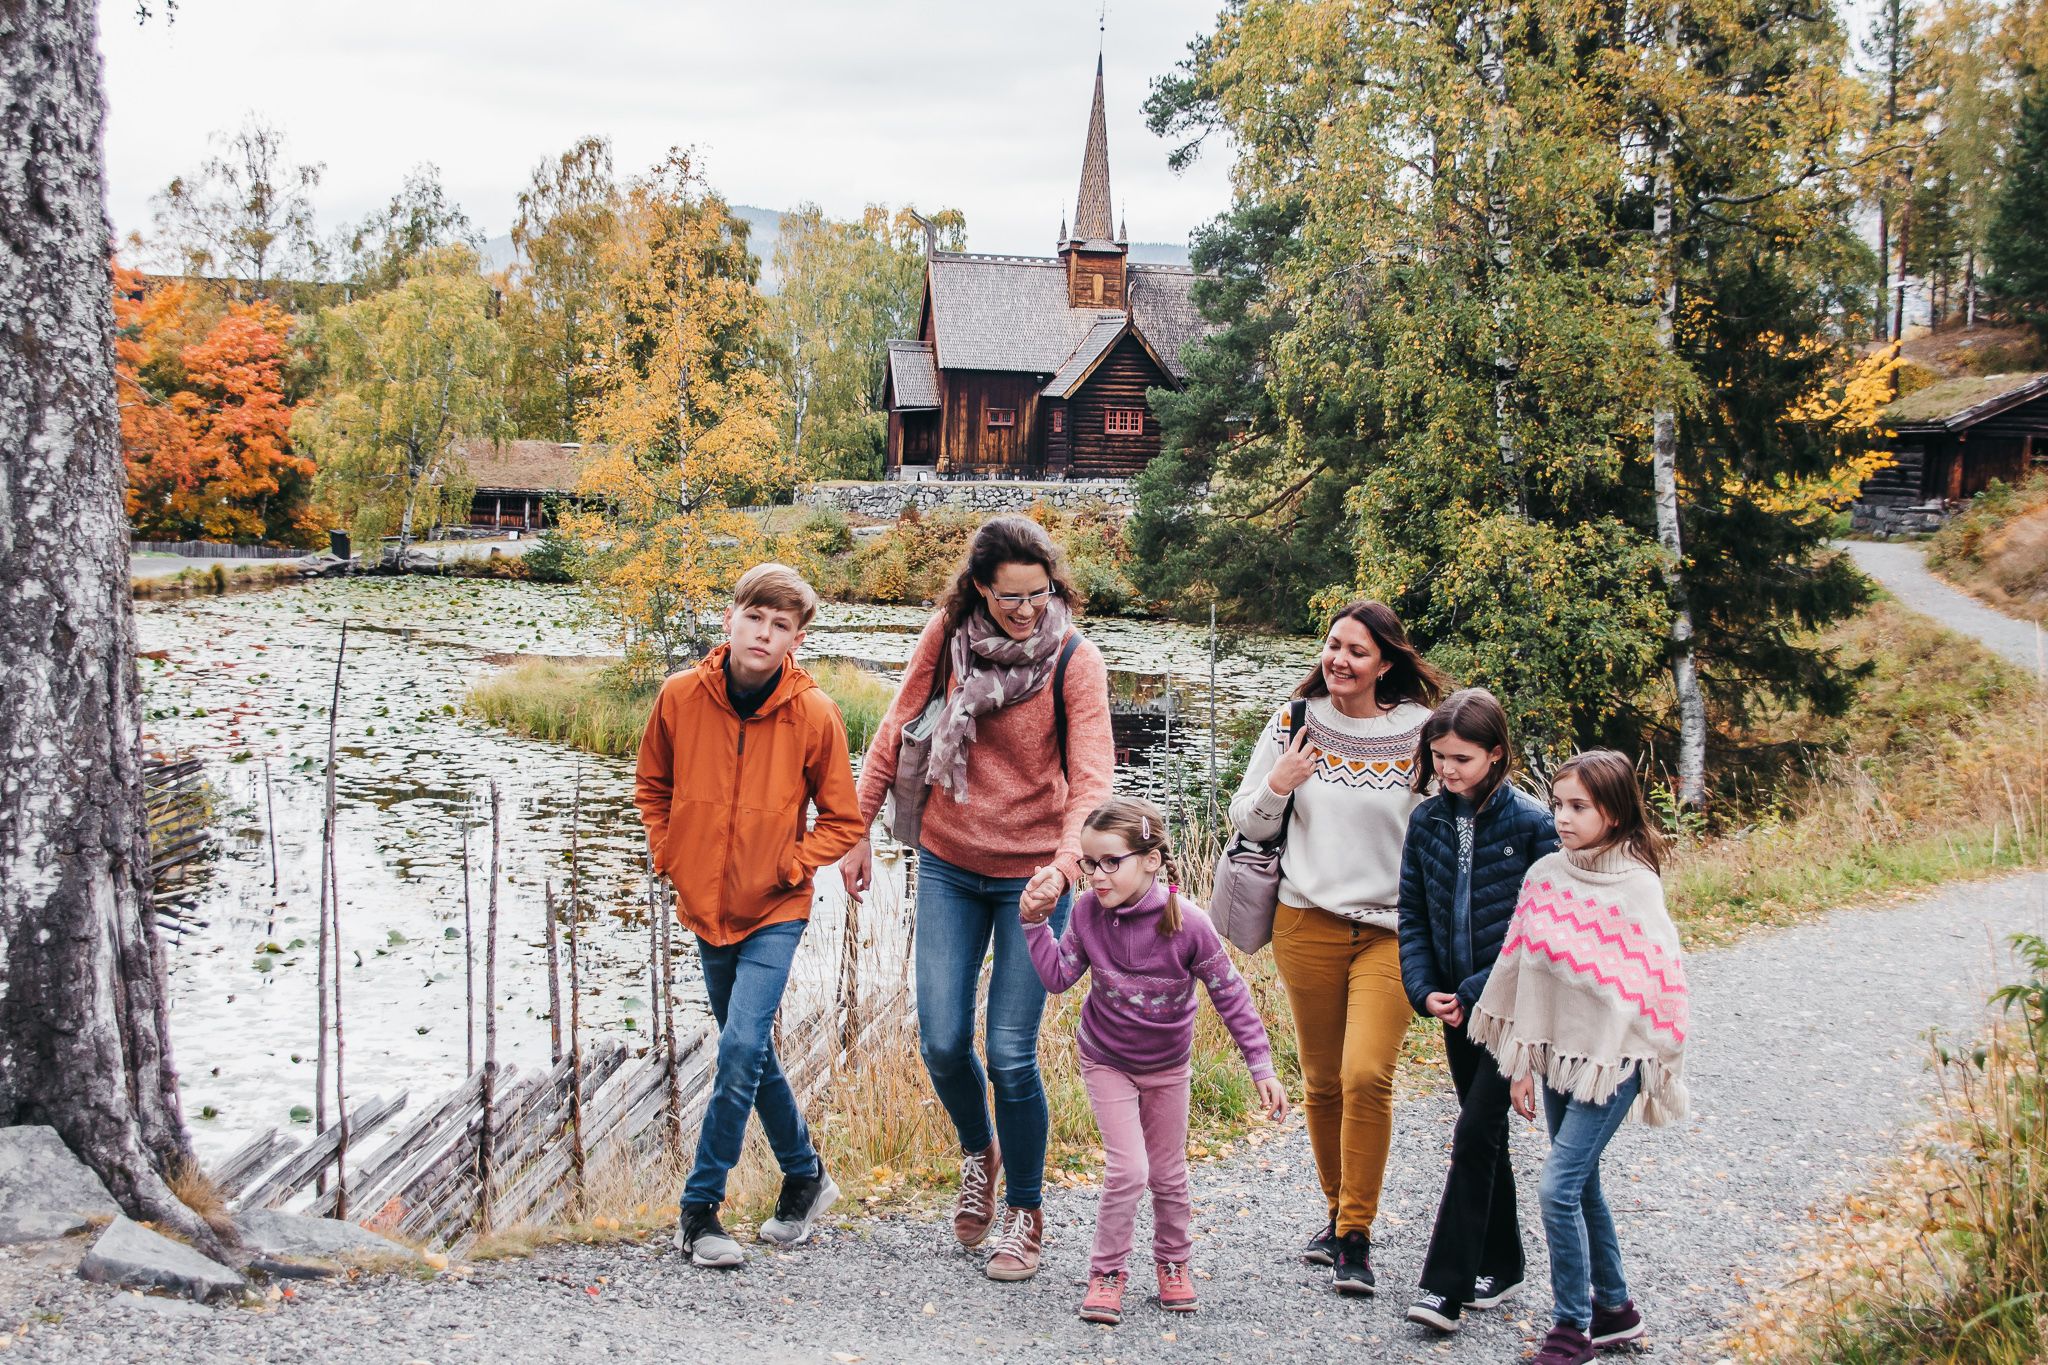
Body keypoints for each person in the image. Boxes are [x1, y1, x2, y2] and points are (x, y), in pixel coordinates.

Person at [841, 516, 1115, 1282]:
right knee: (940, 1039)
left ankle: (1025, 1212)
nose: (1026, 610)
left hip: (1036, 877)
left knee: (1011, 1053)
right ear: (980, 589)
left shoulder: (1074, 659)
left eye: (1039, 594)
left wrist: (1066, 866)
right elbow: (896, 726)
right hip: (950, 862)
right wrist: (855, 827)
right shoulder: (948, 635)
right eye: (1009, 597)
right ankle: (978, 1150)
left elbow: (1093, 777)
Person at [633, 563, 865, 1269]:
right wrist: (669, 851)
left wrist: (795, 864)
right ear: (730, 618)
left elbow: (844, 819)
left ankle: (699, 1208)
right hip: (706, 905)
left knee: (738, 1048)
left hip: (776, 906)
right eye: (755, 617)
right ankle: (805, 1174)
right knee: (751, 1050)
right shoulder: (680, 696)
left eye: (780, 624)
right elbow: (652, 784)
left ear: (797, 638)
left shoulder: (815, 713)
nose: (764, 633)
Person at [1227, 600, 1445, 1294]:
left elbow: (1447, 822)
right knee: (1322, 1081)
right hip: (1306, 922)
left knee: (1365, 1074)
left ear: (1386, 663)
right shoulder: (1294, 722)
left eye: (1357, 650)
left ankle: (1356, 1233)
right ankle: (1335, 1215)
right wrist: (1277, 786)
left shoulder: (1421, 732)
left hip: (1392, 932)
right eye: (1332, 644)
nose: (1339, 660)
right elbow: (1245, 818)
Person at [1023, 796, 1290, 1325]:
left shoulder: (1189, 924)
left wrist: (1260, 1064)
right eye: (1089, 863)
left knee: (1167, 1175)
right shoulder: (1087, 913)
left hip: (1168, 1066)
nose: (1096, 875)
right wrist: (1033, 926)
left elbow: (1230, 994)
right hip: (1106, 1059)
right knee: (1129, 1170)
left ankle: (1173, 1263)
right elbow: (1057, 978)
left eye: (1110, 862)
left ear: (1150, 860)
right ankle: (1106, 1273)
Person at [1469, 750, 1690, 1365]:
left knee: (1557, 1188)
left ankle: (1572, 1327)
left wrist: (1642, 1055)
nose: (1561, 818)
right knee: (1582, 1183)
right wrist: (1520, 1063)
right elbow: (1521, 974)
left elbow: (1657, 985)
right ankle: (1616, 1309)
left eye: (1578, 807)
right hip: (1559, 1056)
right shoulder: (1545, 875)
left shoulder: (1638, 888)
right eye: (1558, 804)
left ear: (1612, 814)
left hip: (1614, 1063)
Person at [1400, 688, 1560, 1332]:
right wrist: (1424, 988)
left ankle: (1447, 1286)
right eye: (1439, 756)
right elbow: (1412, 913)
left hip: (1515, 1011)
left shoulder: (1533, 826)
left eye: (1461, 758)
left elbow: (1540, 935)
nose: (1447, 769)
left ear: (1496, 754)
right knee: (1484, 1134)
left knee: (1472, 1135)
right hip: (1456, 1012)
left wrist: (1473, 990)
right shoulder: (1426, 822)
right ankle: (1504, 1262)